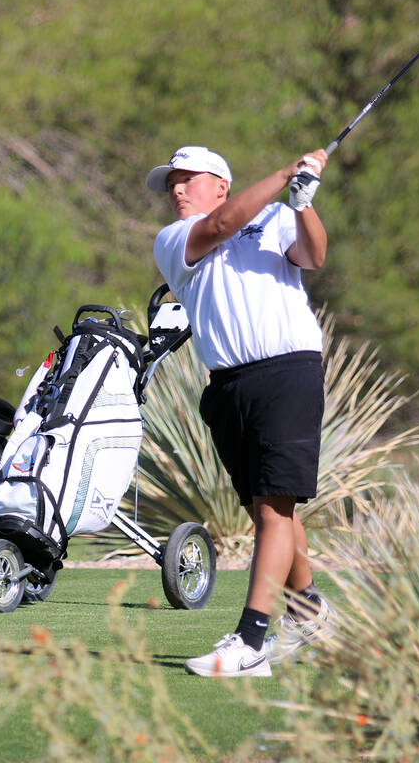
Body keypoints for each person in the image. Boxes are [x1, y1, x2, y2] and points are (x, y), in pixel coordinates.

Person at [146, 145, 337, 677]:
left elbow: (314, 256)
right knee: (268, 510)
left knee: (274, 509)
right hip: (228, 383)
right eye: (172, 184)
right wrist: (283, 174)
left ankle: (251, 642)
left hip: (288, 371)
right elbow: (224, 225)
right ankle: (309, 612)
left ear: (221, 184)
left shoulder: (275, 216)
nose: (177, 190)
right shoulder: (174, 240)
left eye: (187, 180)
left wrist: (302, 203)